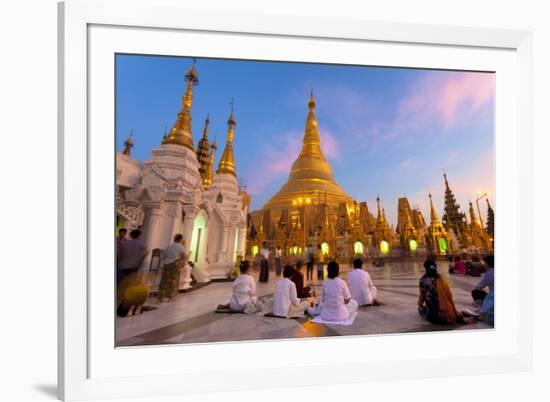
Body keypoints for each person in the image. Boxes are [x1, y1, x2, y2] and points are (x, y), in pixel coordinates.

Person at [418, 259, 466, 324]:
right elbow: (449, 295)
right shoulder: (441, 278)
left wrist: (420, 304)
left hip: (434, 316)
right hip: (446, 311)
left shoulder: (423, 280)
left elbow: (422, 296)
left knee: (421, 309)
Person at [157, 234, 186, 302]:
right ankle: (171, 297)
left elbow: (163, 254)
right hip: (174, 264)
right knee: (173, 281)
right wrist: (182, 262)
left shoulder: (169, 245)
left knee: (164, 281)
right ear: (181, 239)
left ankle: (160, 297)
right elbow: (183, 256)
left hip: (166, 264)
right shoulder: (180, 246)